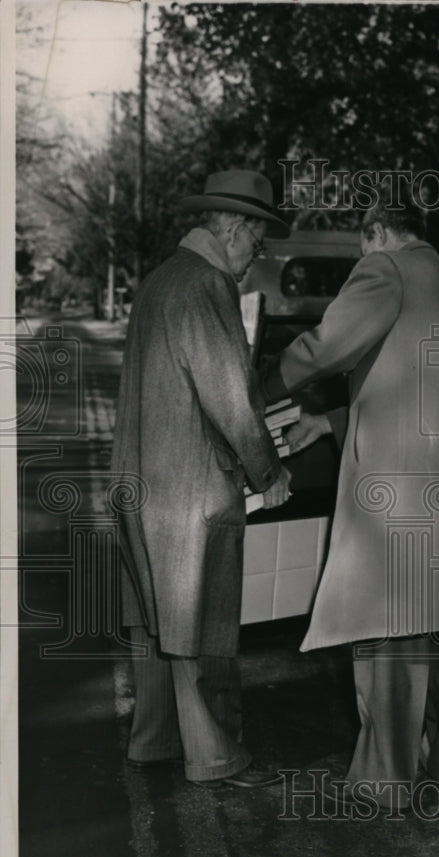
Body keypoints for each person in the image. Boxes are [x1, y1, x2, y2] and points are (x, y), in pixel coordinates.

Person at [262, 195, 439, 810]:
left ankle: (385, 782)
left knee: (388, 630)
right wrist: (334, 421)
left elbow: (323, 347)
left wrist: (250, 381)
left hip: (401, 490)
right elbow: (423, 382)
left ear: (377, 233)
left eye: (363, 245)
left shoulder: (384, 269)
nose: (360, 258)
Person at [111, 169, 292, 789]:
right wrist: (269, 470)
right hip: (190, 486)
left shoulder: (161, 280)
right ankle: (217, 756)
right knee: (204, 620)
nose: (255, 257)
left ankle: (154, 740)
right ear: (234, 228)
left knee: (155, 620)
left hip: (140, 480)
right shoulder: (207, 285)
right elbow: (232, 398)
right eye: (258, 243)